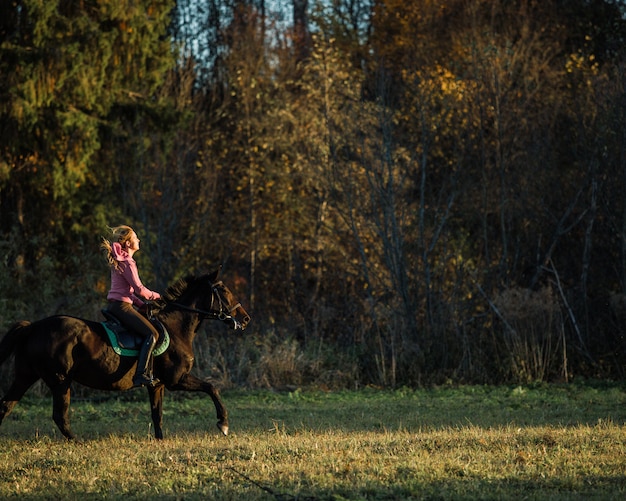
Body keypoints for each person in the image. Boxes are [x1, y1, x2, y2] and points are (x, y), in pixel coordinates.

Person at [101, 225, 162, 387]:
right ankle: (141, 374)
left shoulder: (121, 259)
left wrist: (141, 305)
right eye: (136, 238)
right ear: (128, 244)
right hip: (122, 307)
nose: (139, 240)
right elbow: (140, 290)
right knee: (152, 334)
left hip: (117, 305)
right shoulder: (127, 261)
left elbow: (128, 293)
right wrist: (158, 297)